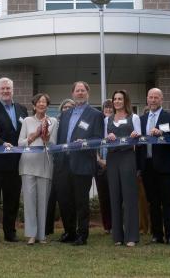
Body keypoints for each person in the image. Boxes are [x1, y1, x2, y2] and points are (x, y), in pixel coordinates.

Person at [54, 81, 104, 246]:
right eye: (77, 91)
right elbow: (61, 138)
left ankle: (82, 235)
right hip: (63, 163)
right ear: (73, 93)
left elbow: (98, 139)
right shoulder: (66, 114)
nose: (80, 93)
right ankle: (69, 232)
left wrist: (86, 142)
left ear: (87, 93)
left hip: (82, 163)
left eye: (83, 91)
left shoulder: (95, 114)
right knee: (65, 200)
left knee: (81, 202)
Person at [0, 76, 29, 243]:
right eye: (3, 89)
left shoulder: (23, 109)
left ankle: (10, 232)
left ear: (13, 90)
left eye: (8, 88)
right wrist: (2, 143)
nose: (6, 91)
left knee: (13, 198)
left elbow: (25, 133)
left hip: (16, 162)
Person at [137, 87, 170, 244]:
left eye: (156, 97)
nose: (153, 100)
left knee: (167, 202)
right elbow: (138, 145)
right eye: (150, 97)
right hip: (147, 166)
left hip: (165, 166)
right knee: (153, 203)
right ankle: (157, 235)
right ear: (147, 99)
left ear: (161, 100)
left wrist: (162, 134)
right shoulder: (141, 120)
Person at [103, 89, 141, 247]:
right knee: (115, 195)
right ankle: (117, 235)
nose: (117, 101)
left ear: (125, 101)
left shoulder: (134, 117)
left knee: (130, 196)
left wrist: (135, 135)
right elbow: (104, 140)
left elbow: (140, 138)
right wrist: (108, 138)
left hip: (128, 157)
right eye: (115, 99)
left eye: (120, 99)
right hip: (112, 159)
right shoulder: (107, 120)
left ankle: (131, 236)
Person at [18, 92, 58, 244]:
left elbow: (53, 144)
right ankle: (31, 234)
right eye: (39, 102)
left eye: (44, 102)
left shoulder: (53, 121)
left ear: (47, 106)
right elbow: (20, 143)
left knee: (43, 201)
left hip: (45, 164)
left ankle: (41, 235)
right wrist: (34, 135)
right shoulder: (27, 121)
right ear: (34, 105)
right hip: (28, 165)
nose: (42, 104)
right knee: (29, 201)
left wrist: (46, 137)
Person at [46, 98, 74, 238]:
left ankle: (71, 230)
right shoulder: (55, 123)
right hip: (58, 164)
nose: (67, 109)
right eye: (65, 107)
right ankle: (56, 229)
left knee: (71, 199)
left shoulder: (76, 123)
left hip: (74, 164)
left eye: (70, 107)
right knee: (58, 198)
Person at [94, 99, 113, 234]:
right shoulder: (98, 124)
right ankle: (107, 226)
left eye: (110, 108)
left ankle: (116, 224)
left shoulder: (116, 123)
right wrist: (99, 159)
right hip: (99, 164)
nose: (108, 110)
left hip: (114, 164)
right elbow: (93, 142)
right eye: (106, 108)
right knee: (103, 197)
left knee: (115, 196)